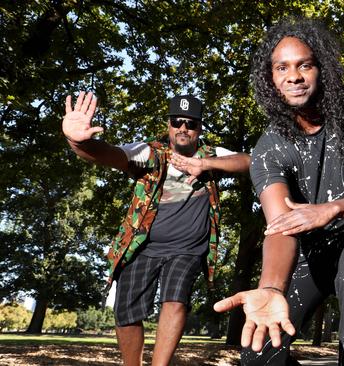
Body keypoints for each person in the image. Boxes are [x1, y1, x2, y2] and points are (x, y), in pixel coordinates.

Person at [213, 18, 344, 365]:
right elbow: (281, 226)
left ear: (320, 69)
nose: (293, 76)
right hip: (312, 249)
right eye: (282, 68)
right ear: (271, 80)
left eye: (304, 65)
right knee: (259, 355)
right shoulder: (269, 148)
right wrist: (271, 288)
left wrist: (333, 208)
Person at [62, 91, 250, 366]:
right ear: (168, 125)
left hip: (187, 249)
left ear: (199, 127)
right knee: (126, 311)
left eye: (191, 123)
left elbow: (248, 161)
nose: (183, 128)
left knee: (175, 299)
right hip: (142, 246)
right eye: (177, 122)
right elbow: (110, 155)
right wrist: (78, 141)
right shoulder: (148, 152)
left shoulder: (211, 155)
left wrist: (206, 164)